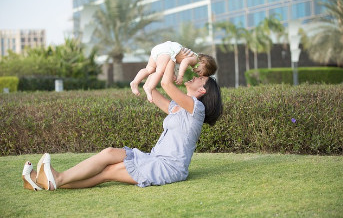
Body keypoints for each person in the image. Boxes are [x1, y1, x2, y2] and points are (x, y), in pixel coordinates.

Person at [21, 49, 223, 190]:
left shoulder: (197, 108)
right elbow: (153, 90)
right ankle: (44, 181)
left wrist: (172, 53)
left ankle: (54, 179)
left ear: (202, 90)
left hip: (168, 168)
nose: (195, 75)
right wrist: (154, 67)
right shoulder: (178, 108)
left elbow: (167, 84)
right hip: (153, 157)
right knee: (109, 154)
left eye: (200, 78)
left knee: (109, 172)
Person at [130, 41, 217, 102]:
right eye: (200, 71)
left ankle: (135, 82)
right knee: (159, 71)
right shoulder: (195, 59)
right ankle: (149, 87)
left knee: (149, 69)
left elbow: (176, 62)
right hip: (167, 51)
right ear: (203, 62)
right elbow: (184, 62)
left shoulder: (194, 58)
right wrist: (180, 76)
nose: (196, 72)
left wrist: (173, 74)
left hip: (161, 49)